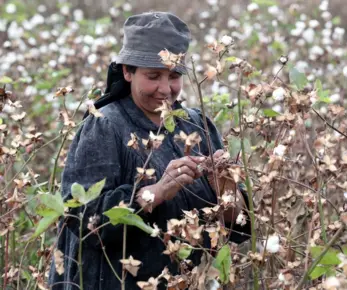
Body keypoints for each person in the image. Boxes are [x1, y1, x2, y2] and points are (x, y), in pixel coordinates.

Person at [48, 12, 250, 290]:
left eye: (175, 76)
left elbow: (237, 226)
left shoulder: (197, 125)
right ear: (128, 72)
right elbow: (82, 220)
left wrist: (226, 189)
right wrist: (156, 192)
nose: (166, 89)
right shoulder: (104, 126)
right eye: (153, 76)